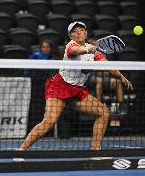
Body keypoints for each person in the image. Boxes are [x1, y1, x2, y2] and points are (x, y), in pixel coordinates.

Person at [17, 21, 133, 153]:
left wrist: (121, 76)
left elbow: (108, 66)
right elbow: (75, 51)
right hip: (59, 87)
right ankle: (21, 149)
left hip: (77, 91)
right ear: (71, 36)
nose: (78, 32)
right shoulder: (71, 46)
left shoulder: (95, 52)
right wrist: (89, 49)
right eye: (74, 31)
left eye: (81, 29)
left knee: (104, 113)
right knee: (49, 121)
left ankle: (95, 150)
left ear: (86, 32)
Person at [88, 38, 125, 114]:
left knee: (117, 82)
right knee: (99, 81)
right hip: (92, 78)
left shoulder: (101, 54)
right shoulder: (87, 55)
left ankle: (120, 106)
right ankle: (99, 106)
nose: (95, 46)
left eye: (96, 44)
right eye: (93, 44)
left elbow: (107, 69)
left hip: (105, 77)